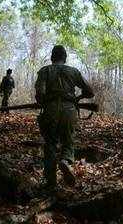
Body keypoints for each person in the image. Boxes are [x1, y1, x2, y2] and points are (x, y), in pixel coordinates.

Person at [35, 45, 94, 191]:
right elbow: (90, 91)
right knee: (68, 140)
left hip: (51, 109)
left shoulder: (45, 71)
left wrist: (44, 101)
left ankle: (50, 182)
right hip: (69, 109)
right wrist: (77, 98)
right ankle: (66, 160)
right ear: (65, 57)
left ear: (52, 57)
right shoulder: (73, 71)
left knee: (50, 144)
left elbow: (40, 93)